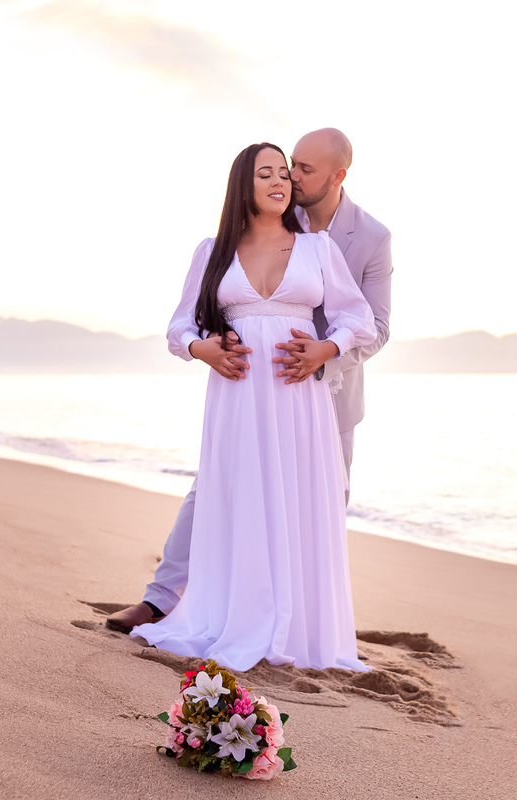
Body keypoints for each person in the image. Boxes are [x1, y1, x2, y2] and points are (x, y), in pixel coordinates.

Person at [108, 128, 392, 635]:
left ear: (337, 176)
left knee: (317, 502)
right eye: (285, 167)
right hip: (244, 391)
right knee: (213, 489)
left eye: (300, 170)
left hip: (324, 393)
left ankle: (305, 617)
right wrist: (207, 344)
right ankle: (161, 599)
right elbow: (193, 316)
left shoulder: (368, 237)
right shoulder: (255, 225)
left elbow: (375, 325)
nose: (291, 176)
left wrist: (322, 358)